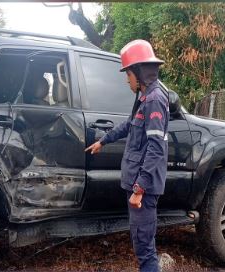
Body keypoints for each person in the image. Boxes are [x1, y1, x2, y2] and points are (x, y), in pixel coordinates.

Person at [85, 39, 169, 272]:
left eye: (128, 74)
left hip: (144, 190)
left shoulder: (154, 100)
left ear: (139, 73)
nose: (126, 79)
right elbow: (129, 126)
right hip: (140, 188)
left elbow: (156, 148)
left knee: (144, 247)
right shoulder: (144, 98)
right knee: (142, 243)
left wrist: (139, 188)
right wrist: (103, 140)